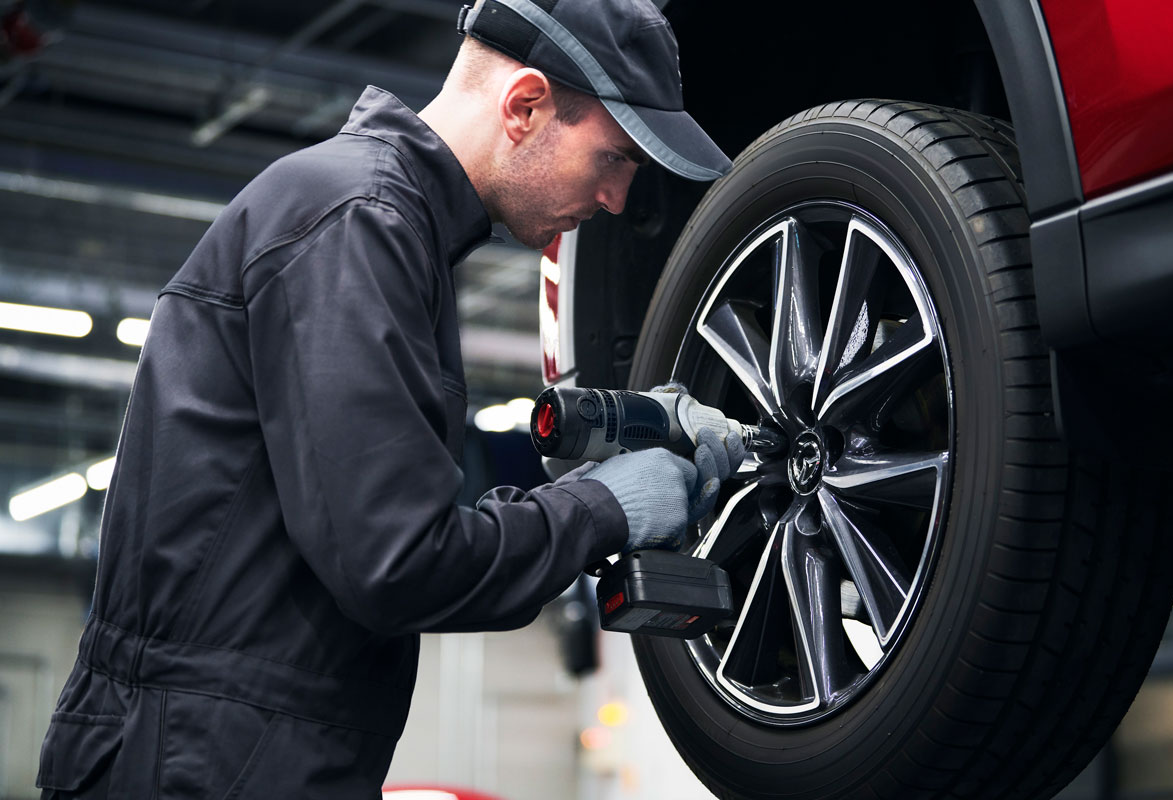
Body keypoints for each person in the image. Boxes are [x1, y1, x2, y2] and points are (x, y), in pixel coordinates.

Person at [35, 0, 736, 797]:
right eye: (613, 158)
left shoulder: (382, 224)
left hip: (231, 751)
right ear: (525, 106)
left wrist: (592, 494)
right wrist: (599, 509)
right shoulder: (359, 222)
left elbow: (394, 536)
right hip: (204, 763)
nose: (615, 199)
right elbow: (396, 563)